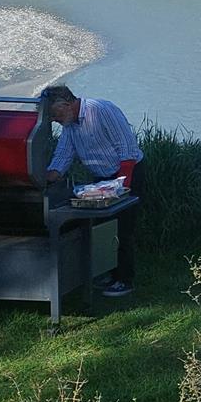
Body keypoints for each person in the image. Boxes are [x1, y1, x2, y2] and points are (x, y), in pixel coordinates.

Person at [39, 84, 141, 297]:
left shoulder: (101, 110)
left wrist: (121, 187)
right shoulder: (70, 126)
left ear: (66, 104)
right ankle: (110, 273)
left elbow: (127, 149)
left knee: (123, 228)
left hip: (128, 171)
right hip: (102, 179)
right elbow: (63, 156)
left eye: (54, 114)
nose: (53, 119)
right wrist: (45, 178)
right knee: (102, 228)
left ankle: (125, 280)